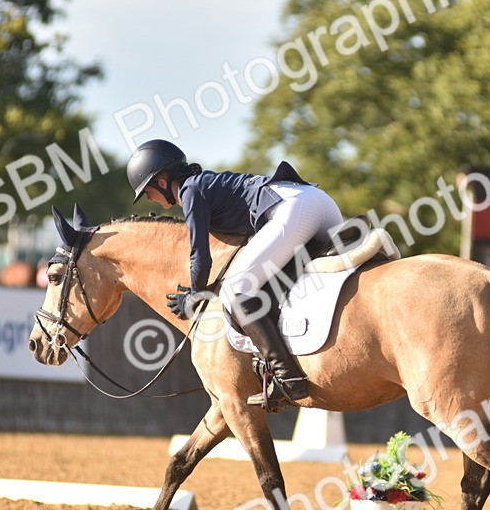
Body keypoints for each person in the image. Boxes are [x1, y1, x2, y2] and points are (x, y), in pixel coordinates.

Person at [126, 139, 345, 411]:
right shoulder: (207, 184)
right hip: (319, 202)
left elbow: (200, 255)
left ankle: (288, 377)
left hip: (293, 209)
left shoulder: (191, 191)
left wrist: (196, 294)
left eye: (147, 191)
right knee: (281, 282)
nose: (149, 199)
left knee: (236, 291)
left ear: (160, 182)